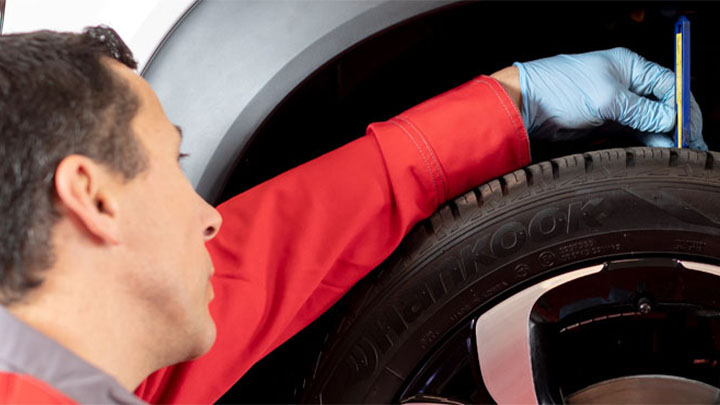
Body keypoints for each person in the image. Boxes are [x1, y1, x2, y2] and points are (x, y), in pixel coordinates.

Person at [0, 26, 706, 404]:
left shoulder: (75, 372)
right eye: (175, 170)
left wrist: (509, 100)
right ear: (94, 198)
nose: (211, 219)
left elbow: (272, 252)